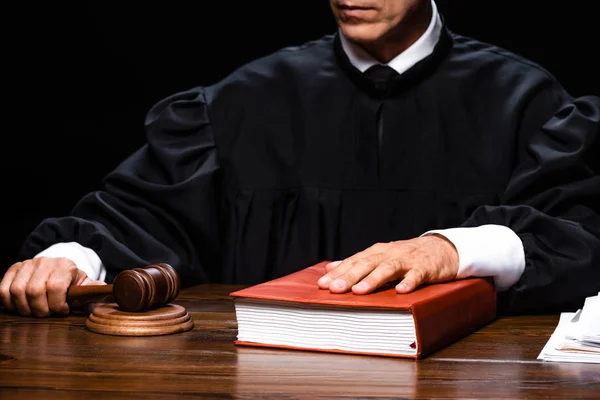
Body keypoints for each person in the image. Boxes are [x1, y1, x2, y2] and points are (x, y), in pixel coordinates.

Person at [1, 0, 599, 318]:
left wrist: (454, 248)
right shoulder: (244, 100)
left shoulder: (525, 101)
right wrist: (70, 257)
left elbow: (579, 236)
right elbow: (146, 215)